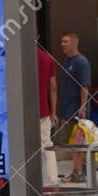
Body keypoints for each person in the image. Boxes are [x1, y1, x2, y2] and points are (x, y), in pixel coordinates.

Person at [56, 32, 94, 181]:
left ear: (73, 43)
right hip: (66, 108)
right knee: (71, 143)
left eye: (65, 42)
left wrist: (83, 107)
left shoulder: (81, 62)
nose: (62, 44)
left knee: (75, 142)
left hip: (77, 109)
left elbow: (84, 86)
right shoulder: (66, 62)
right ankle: (78, 170)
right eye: (61, 41)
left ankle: (79, 172)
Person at [37, 42, 58, 188]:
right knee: (46, 147)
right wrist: (53, 112)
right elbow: (53, 87)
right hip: (43, 112)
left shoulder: (17, 58)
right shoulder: (47, 58)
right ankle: (51, 183)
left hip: (21, 113)